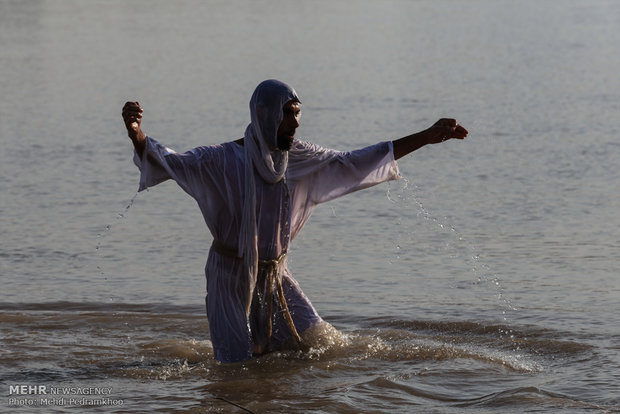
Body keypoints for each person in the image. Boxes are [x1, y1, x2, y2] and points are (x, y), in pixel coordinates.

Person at [122, 79, 468, 363]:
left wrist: (425, 136)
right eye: (288, 114)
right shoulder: (222, 160)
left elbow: (355, 162)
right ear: (264, 114)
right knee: (233, 367)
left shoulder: (298, 158)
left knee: (323, 345)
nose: (296, 122)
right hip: (230, 274)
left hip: (275, 274)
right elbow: (168, 162)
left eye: (298, 114)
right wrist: (136, 133)